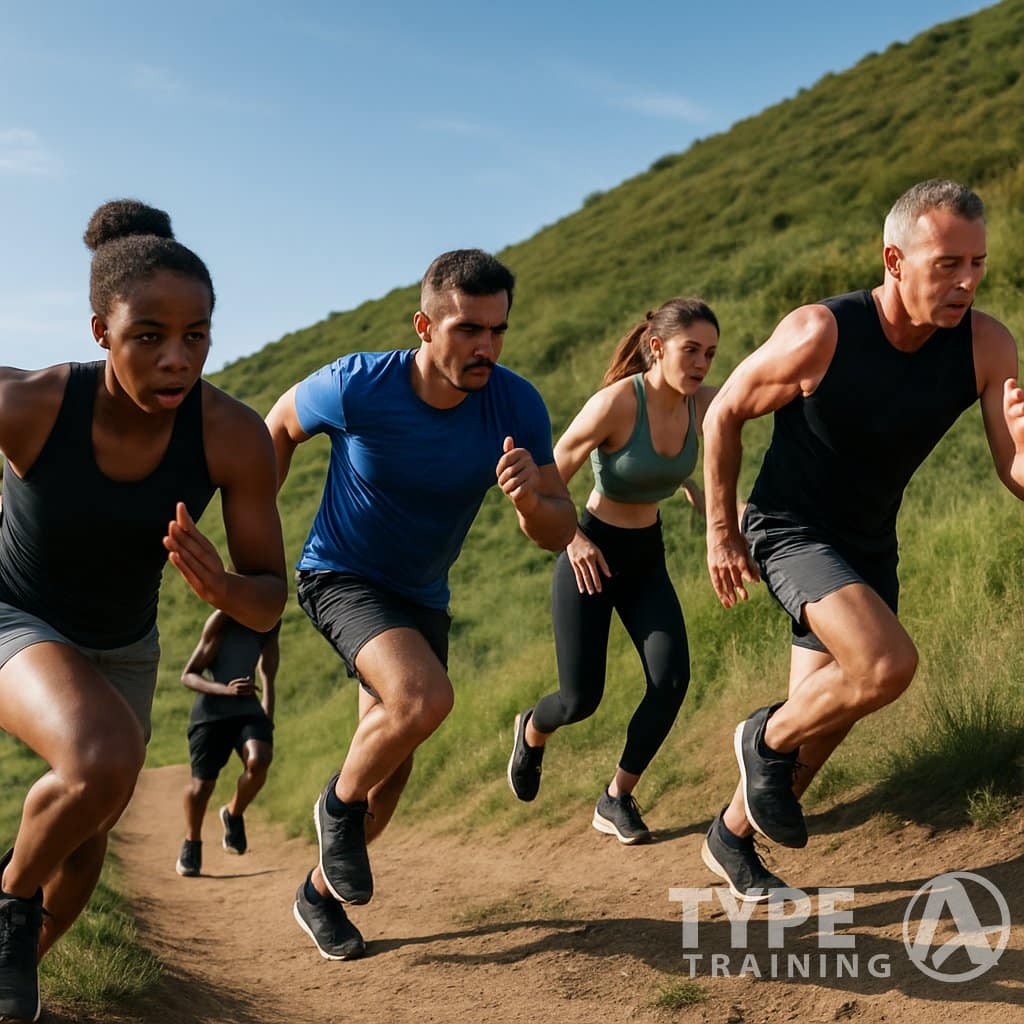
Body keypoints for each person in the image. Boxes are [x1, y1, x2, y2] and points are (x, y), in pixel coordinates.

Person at [0, 200, 287, 1021]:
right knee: (100, 757)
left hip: (122, 647)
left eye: (196, 335)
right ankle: (10, 896)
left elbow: (267, 596)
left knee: (88, 835)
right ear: (101, 332)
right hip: (13, 616)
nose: (177, 358)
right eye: (150, 336)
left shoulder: (232, 435)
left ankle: (12, 965)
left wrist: (224, 589)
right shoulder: (32, 405)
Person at [699, 179, 1024, 902]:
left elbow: (1014, 470)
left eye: (978, 263)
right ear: (895, 260)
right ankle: (760, 736)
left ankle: (729, 837)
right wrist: (722, 532)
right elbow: (722, 414)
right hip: (790, 530)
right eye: (948, 263)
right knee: (885, 666)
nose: (967, 281)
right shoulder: (822, 333)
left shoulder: (986, 344)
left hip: (869, 542)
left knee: (816, 731)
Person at [265, 248, 576, 961]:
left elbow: (556, 531)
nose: (486, 347)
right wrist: (256, 535)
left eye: (498, 330)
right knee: (423, 698)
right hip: (341, 575)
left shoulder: (515, 402)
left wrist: (531, 499)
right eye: (468, 329)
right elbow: (277, 427)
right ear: (424, 325)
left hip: (420, 594)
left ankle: (317, 892)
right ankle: (332, 808)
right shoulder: (357, 385)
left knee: (390, 771)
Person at [506, 298, 719, 844]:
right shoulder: (617, 404)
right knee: (580, 700)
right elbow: (549, 481)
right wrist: (571, 538)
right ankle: (531, 730)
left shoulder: (704, 404)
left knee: (671, 679)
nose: (701, 363)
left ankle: (616, 797)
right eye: (690, 350)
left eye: (710, 353)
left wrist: (700, 493)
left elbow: (763, 400)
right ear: (657, 348)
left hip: (646, 554)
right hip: (591, 552)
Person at [175, 611, 281, 877]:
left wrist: (267, 717)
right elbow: (188, 675)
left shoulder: (268, 620)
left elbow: (267, 672)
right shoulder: (220, 620)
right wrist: (226, 690)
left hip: (248, 709)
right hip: (210, 713)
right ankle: (192, 841)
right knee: (202, 787)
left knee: (259, 759)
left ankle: (233, 814)